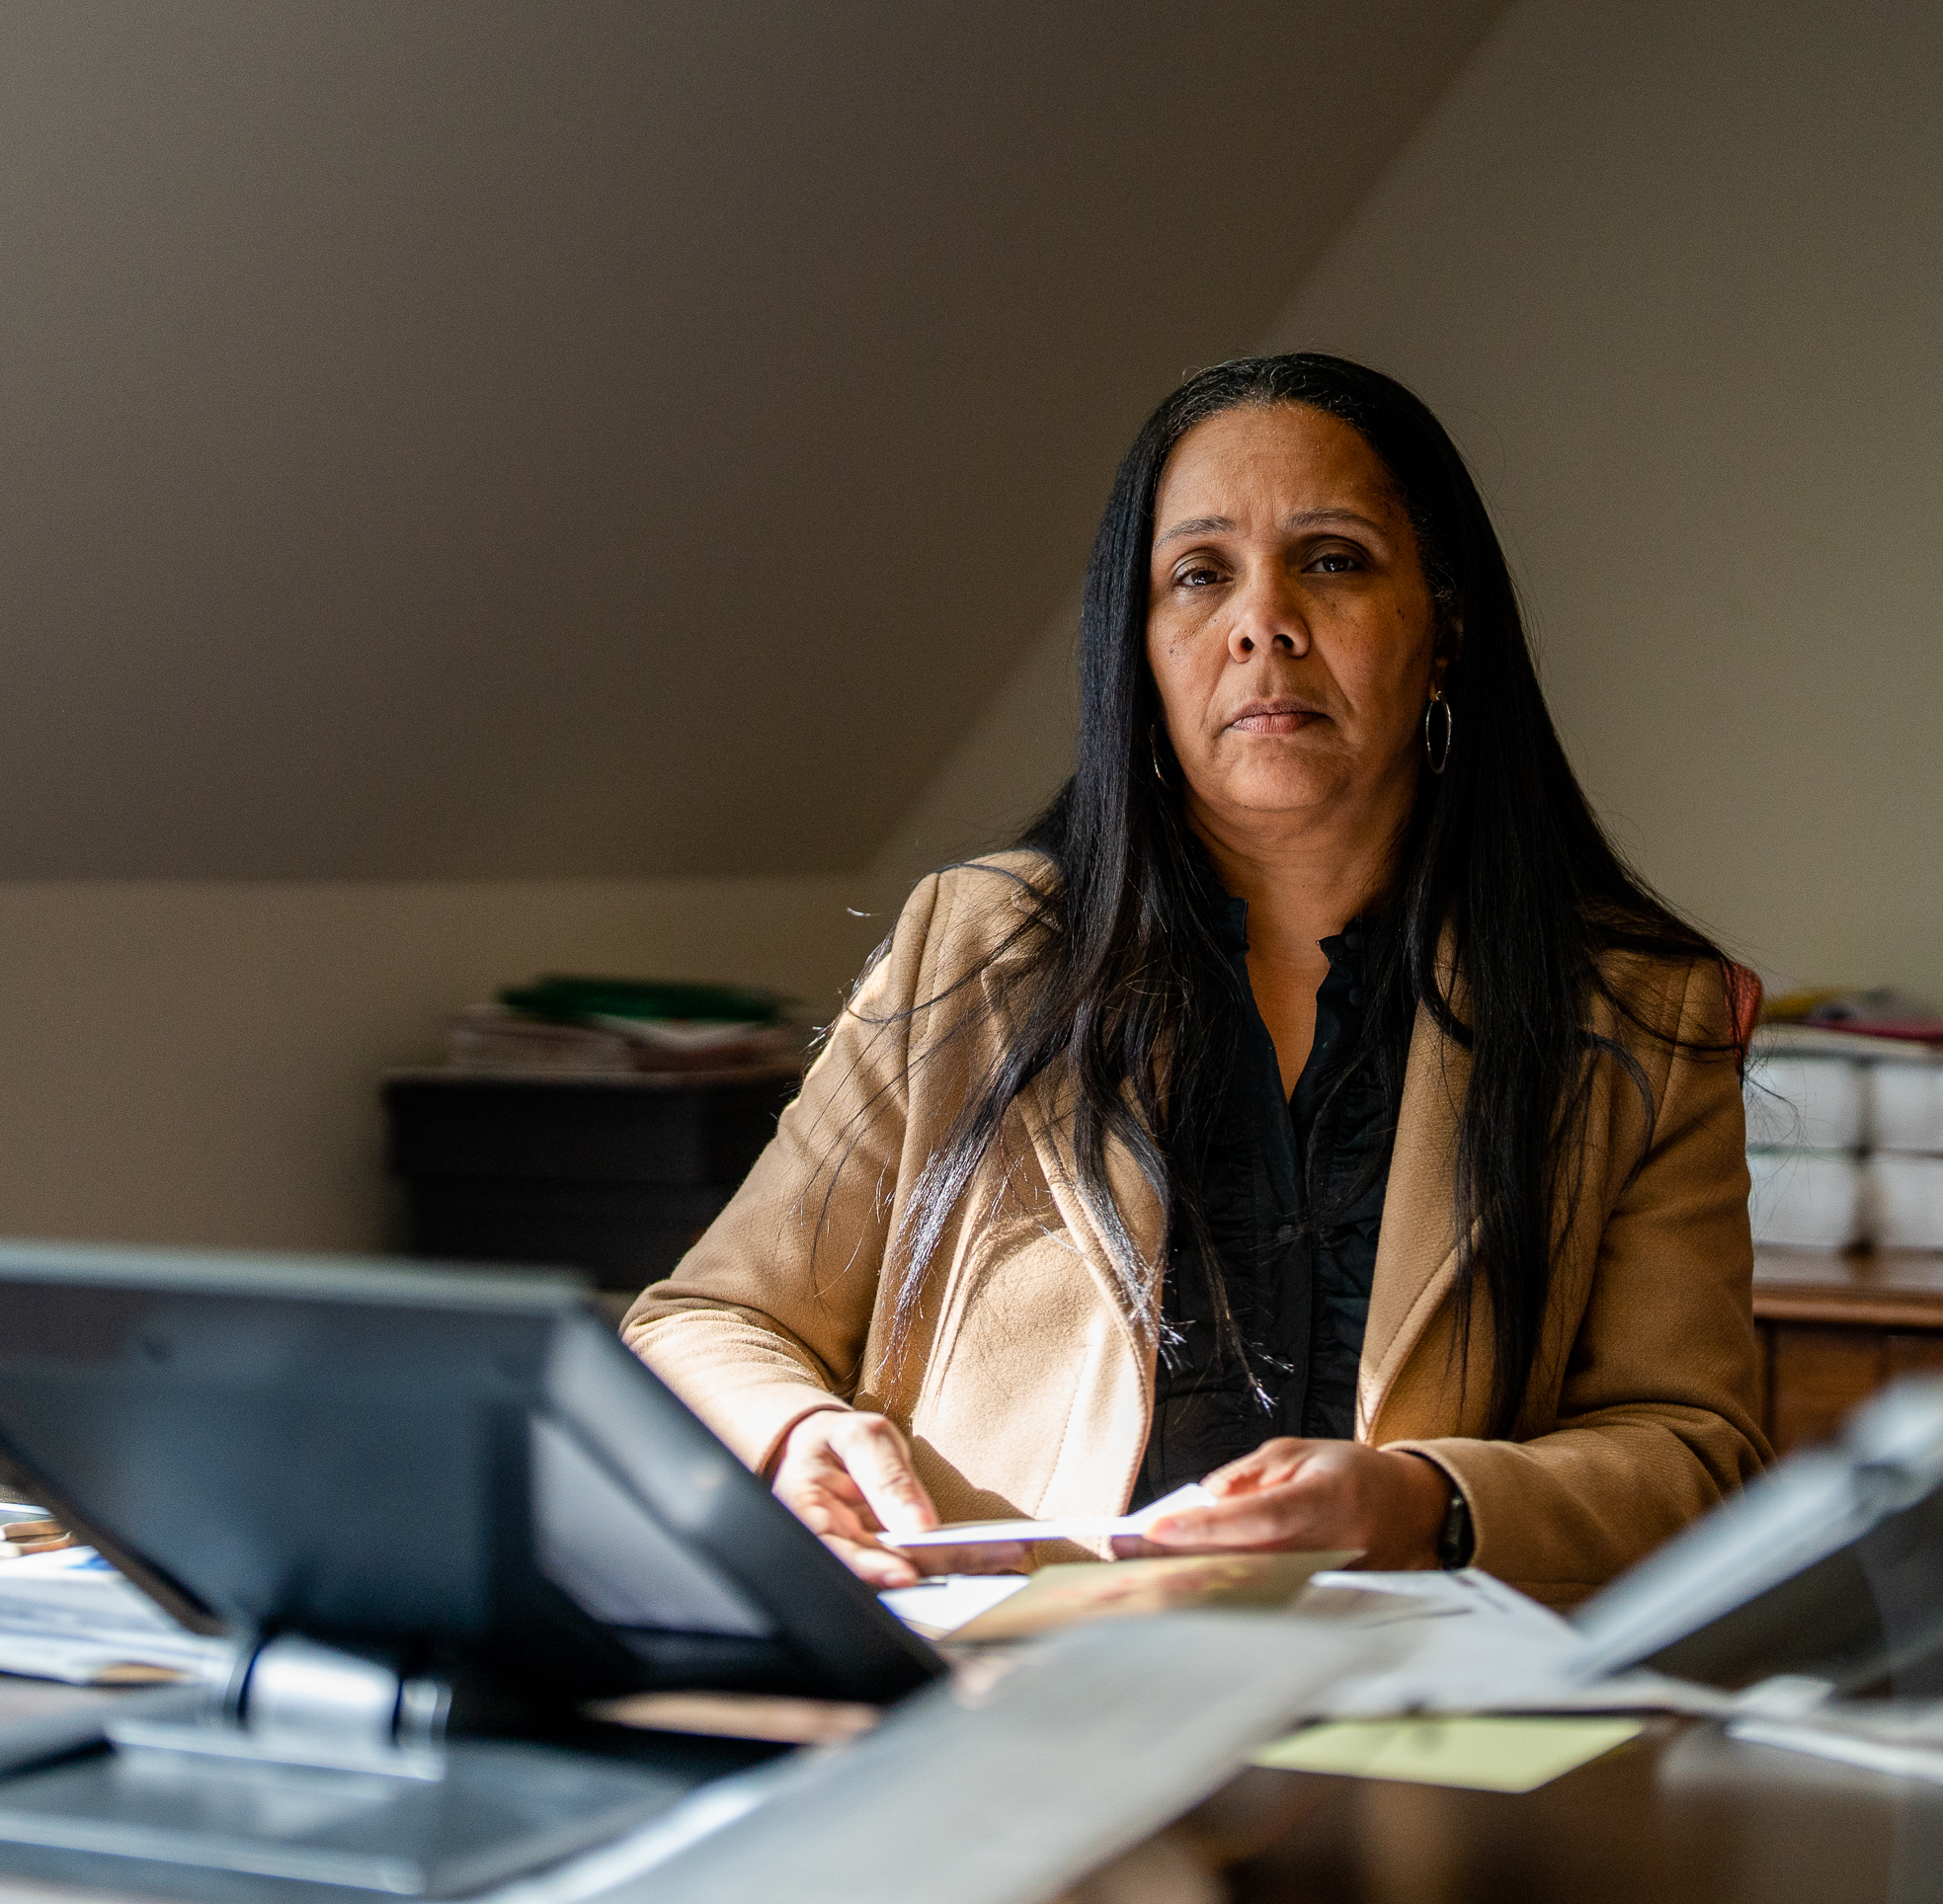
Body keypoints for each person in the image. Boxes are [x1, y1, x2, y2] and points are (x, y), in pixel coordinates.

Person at [622, 354, 1768, 1606]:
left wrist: (1426, 1501)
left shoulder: (1637, 1007)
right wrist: (797, 1434)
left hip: (1409, 1709)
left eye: (1332, 560)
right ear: (1142, 652)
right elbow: (704, 1319)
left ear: (1444, 629)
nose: (1261, 622)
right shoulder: (977, 946)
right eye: (1200, 574)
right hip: (1014, 1696)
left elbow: (1695, 1450)